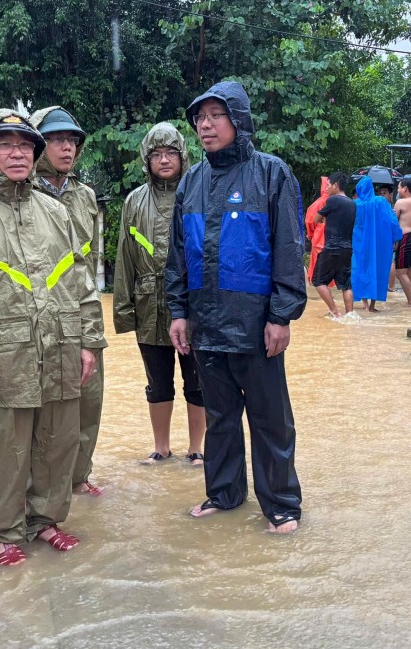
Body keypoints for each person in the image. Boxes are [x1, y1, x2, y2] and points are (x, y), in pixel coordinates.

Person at [0, 109, 105, 566]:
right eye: (5, 144)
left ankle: (46, 521)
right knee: (2, 446)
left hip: (61, 344)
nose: (18, 153)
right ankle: (2, 532)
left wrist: (89, 341)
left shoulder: (55, 211)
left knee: (57, 439)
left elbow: (81, 282)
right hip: (2, 350)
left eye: (25, 145)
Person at [166, 81, 307, 534]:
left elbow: (288, 248)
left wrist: (280, 315)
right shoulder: (191, 181)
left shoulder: (272, 173)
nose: (205, 125)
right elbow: (177, 253)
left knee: (270, 420)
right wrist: (178, 311)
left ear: (239, 119)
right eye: (199, 118)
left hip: (256, 324)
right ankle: (224, 493)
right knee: (220, 417)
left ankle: (281, 503)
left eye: (215, 115)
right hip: (206, 324)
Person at [113, 122, 206, 466]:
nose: (164, 160)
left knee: (197, 381)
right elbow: (124, 257)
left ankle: (197, 449)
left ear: (183, 156)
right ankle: (162, 448)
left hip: (194, 306)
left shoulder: (199, 193)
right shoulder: (134, 201)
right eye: (157, 154)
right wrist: (124, 311)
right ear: (147, 160)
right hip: (148, 303)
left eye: (170, 153)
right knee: (157, 381)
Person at [29, 106, 108, 498]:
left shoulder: (85, 195)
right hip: (39, 317)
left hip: (83, 310)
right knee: (44, 409)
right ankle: (44, 488)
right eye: (57, 139)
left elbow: (88, 263)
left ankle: (78, 477)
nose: (67, 147)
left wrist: (91, 325)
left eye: (72, 140)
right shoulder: (22, 193)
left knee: (88, 400)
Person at [352, 176, 402, 311]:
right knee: (378, 269)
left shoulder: (356, 204)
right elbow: (392, 220)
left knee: (361, 270)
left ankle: (365, 305)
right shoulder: (381, 201)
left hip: (359, 243)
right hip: (380, 243)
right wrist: (396, 237)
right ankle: (373, 306)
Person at [312, 171, 356, 317]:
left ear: (336, 185)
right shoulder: (352, 203)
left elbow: (316, 218)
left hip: (332, 247)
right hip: (347, 249)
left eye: (329, 185)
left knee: (317, 280)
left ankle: (335, 312)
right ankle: (350, 314)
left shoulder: (333, 201)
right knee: (345, 284)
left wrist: (324, 219)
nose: (326, 188)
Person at [393, 177, 411, 307]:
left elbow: (394, 223)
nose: (398, 190)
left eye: (399, 187)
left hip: (406, 238)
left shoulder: (401, 202)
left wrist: (393, 240)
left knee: (400, 272)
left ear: (405, 188)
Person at [304, 176, 331, 286]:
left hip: (319, 239)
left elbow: (310, 221)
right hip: (334, 240)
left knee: (317, 270)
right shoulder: (339, 201)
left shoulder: (318, 203)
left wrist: (310, 235)